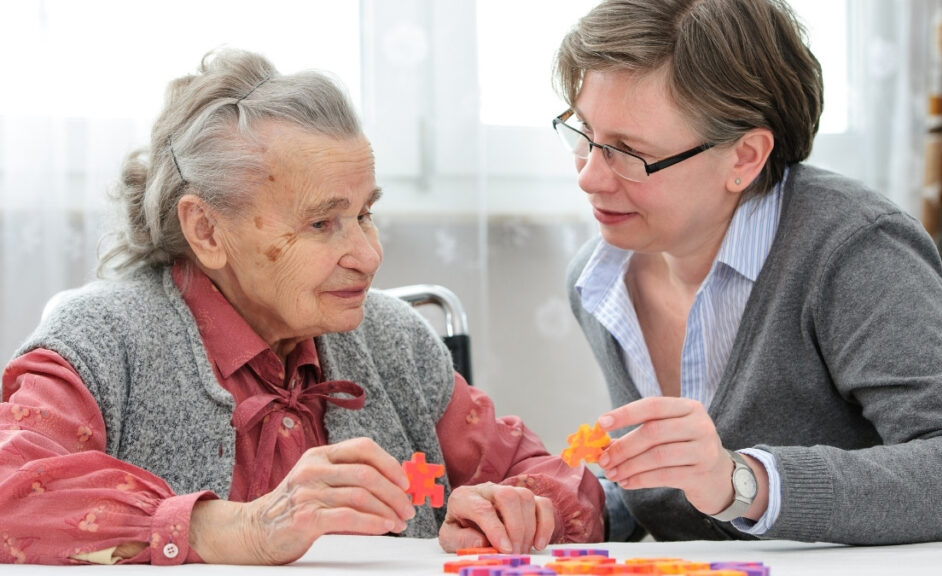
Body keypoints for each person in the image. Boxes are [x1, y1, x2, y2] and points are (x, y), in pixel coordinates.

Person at [0, 48, 603, 566]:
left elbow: (561, 482)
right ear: (207, 230)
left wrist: (517, 512)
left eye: (365, 213)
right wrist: (239, 529)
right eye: (322, 222)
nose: (368, 255)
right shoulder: (103, 339)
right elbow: (10, 489)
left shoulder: (392, 340)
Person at [552, 0, 942, 544]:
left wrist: (744, 482)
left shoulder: (853, 250)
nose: (588, 177)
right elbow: (681, 493)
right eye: (584, 134)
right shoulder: (597, 279)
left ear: (745, 157)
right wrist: (572, 507)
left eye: (627, 152)